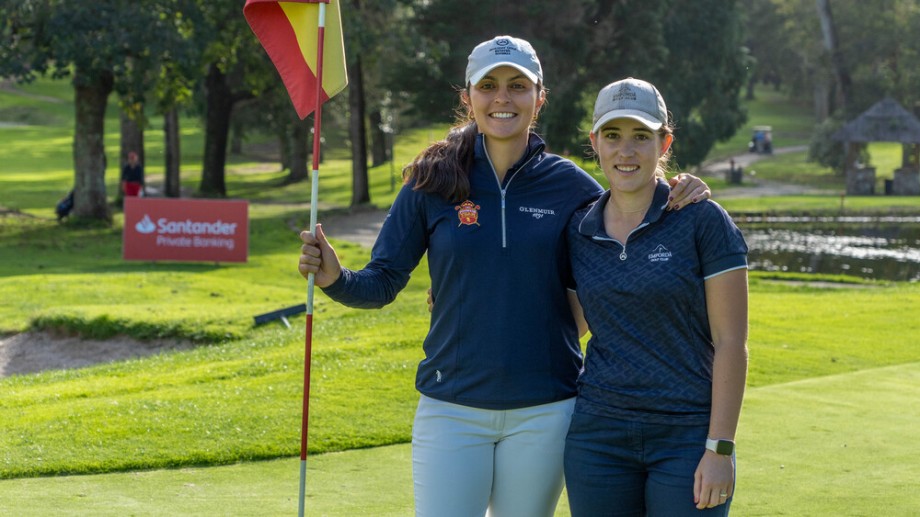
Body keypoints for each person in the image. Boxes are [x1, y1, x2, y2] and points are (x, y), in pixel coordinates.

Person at [298, 37, 710, 517]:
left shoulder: (573, 187)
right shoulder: (429, 180)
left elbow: (629, 226)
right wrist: (336, 279)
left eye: (518, 86)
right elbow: (383, 280)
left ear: (539, 97)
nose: (502, 98)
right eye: (488, 85)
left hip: (546, 409)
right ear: (468, 96)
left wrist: (678, 188)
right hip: (451, 406)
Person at [563, 77, 749, 516]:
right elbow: (569, 327)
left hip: (686, 436)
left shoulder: (702, 220)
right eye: (613, 135)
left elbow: (731, 344)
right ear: (595, 142)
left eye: (641, 136)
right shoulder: (578, 229)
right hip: (598, 437)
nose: (626, 151)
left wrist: (720, 448)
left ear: (664, 142)